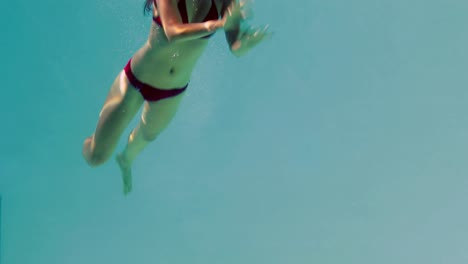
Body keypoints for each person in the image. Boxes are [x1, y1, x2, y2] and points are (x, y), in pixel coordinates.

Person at [82, 0, 271, 195]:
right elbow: (173, 32)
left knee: (146, 135)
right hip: (136, 80)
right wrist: (221, 23)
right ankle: (90, 139)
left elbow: (235, 47)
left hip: (171, 92)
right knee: (96, 157)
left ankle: (126, 159)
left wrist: (246, 44)